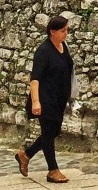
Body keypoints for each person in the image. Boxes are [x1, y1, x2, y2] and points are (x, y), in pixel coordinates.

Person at [15, 15, 74, 184]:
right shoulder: (43, 51)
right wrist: (35, 101)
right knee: (48, 133)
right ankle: (53, 171)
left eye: (67, 30)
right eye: (63, 31)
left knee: (54, 132)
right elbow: (35, 79)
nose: (66, 34)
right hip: (45, 98)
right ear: (52, 31)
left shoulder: (63, 46)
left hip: (59, 98)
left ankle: (25, 155)